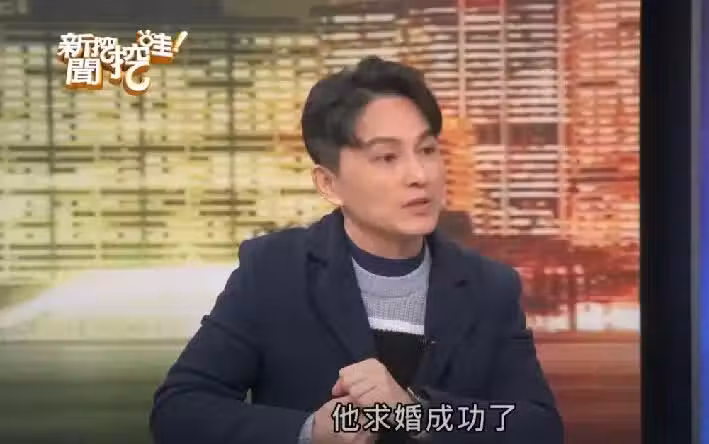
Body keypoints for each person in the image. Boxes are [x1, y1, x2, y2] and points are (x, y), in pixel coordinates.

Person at [149, 56, 564, 444]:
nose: (419, 175)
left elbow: (537, 426)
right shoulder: (274, 271)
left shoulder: (489, 287)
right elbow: (179, 410)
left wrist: (416, 414)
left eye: (427, 150)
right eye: (386, 157)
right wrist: (309, 432)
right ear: (329, 184)